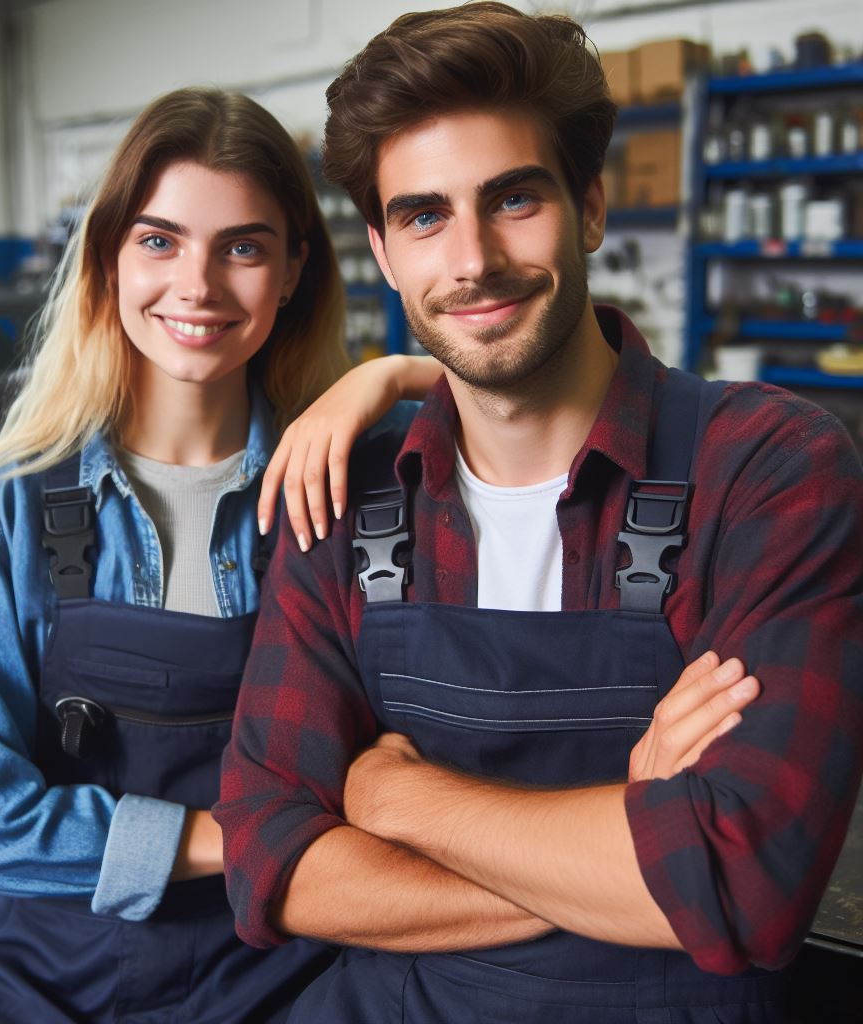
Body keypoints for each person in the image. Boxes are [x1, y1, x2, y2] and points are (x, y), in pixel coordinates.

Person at [215, 6, 863, 1022]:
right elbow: (268, 859)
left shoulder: (768, 469)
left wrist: (393, 800)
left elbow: (744, 885)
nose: (471, 259)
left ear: (590, 207)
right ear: (385, 254)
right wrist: (620, 851)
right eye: (424, 215)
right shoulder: (346, 499)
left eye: (513, 197)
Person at [0, 86, 442, 1023]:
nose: (197, 285)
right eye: (159, 240)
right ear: (110, 260)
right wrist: (236, 838)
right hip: (54, 981)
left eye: (242, 246)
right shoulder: (9, 516)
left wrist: (389, 375)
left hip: (289, 974)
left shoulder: (361, 473)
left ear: (292, 271)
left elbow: (540, 385)